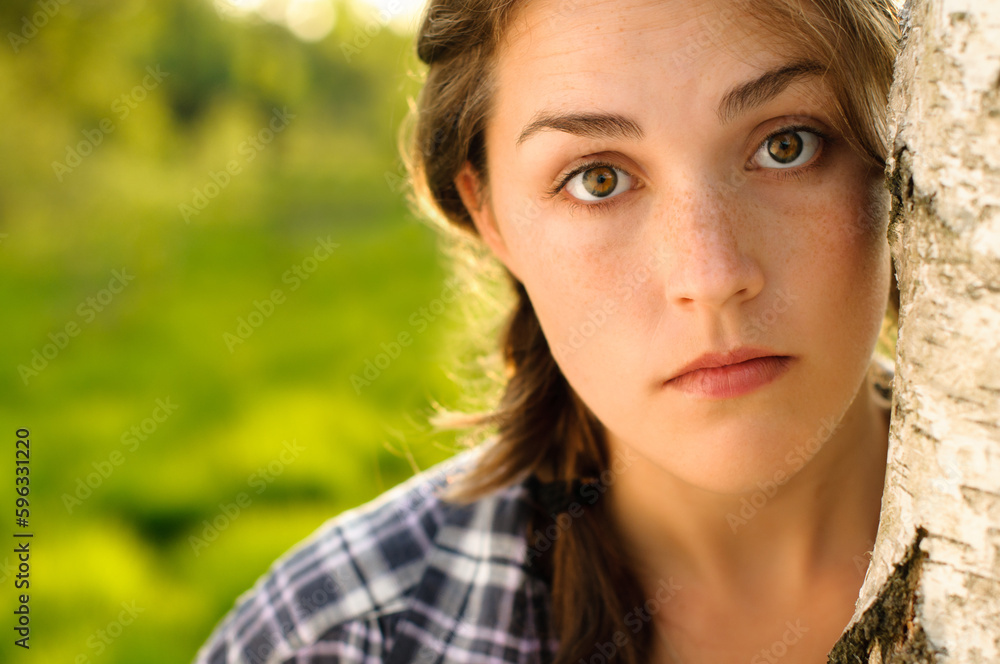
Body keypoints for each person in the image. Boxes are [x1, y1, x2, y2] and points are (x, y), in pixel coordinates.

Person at [192, 0, 900, 662]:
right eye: (597, 179)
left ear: (901, 152)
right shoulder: (329, 640)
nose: (711, 275)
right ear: (490, 216)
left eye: (787, 144)